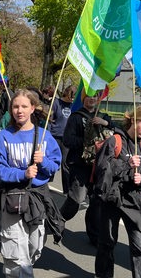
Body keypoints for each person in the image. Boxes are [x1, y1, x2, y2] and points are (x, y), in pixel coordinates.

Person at [0, 89, 62, 277]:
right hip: (13, 197)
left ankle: (21, 268)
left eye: (23, 106)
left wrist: (43, 160)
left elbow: (55, 165)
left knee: (34, 245)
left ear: (32, 108)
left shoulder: (44, 136)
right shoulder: (4, 137)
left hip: (37, 197)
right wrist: (23, 173)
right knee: (15, 248)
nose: (19, 110)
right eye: (15, 106)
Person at [94, 105, 141, 278]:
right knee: (107, 242)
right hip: (111, 199)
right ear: (134, 120)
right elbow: (103, 170)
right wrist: (126, 165)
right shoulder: (114, 141)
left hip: (133, 200)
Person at [60, 92, 114, 246]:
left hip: (99, 166)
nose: (92, 99)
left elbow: (116, 132)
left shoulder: (105, 117)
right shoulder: (76, 117)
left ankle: (94, 235)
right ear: (83, 99)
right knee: (76, 199)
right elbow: (68, 140)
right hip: (80, 166)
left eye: (95, 97)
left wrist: (104, 123)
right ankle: (57, 220)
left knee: (96, 202)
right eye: (89, 96)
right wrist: (87, 140)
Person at [48, 85, 76, 193]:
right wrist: (48, 135)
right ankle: (46, 183)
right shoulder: (56, 103)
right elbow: (50, 119)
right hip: (55, 136)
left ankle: (67, 189)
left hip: (66, 138)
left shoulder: (73, 106)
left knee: (65, 163)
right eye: (70, 97)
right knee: (52, 160)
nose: (71, 99)